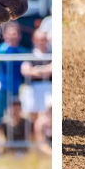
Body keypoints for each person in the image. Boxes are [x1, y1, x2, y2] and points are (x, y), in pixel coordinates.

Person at [24, 22, 53, 153]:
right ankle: (39, 145)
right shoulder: (29, 54)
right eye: (39, 39)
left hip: (48, 87)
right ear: (34, 40)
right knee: (36, 118)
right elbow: (25, 71)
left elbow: (52, 69)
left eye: (44, 40)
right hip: (34, 89)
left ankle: (45, 145)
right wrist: (43, 70)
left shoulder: (51, 53)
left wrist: (36, 70)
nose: (42, 42)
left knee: (46, 117)